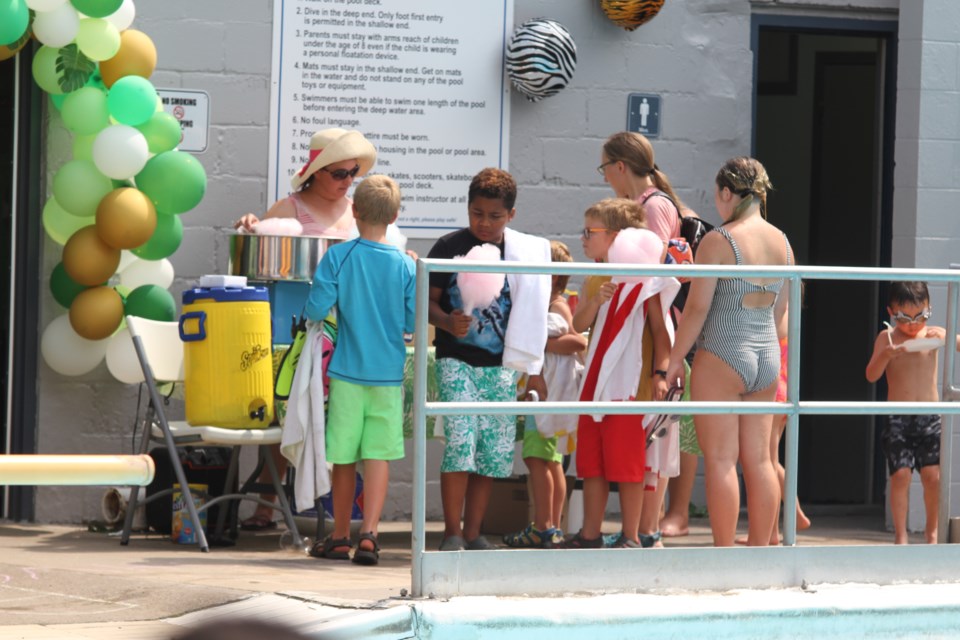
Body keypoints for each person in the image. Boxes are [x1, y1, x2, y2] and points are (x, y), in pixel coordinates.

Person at [233, 128, 377, 531]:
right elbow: (260, 251)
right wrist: (252, 225)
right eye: (339, 173)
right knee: (289, 409)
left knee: (346, 414)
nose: (347, 181)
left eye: (353, 174)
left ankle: (344, 510)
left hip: (348, 325)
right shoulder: (290, 207)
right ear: (316, 172)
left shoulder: (356, 211)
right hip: (297, 324)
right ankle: (268, 504)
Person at [665, 157, 792, 547]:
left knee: (721, 460)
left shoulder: (719, 240)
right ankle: (759, 552)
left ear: (726, 192)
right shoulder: (782, 242)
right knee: (759, 460)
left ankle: (725, 557)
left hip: (723, 353)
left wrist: (672, 362)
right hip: (766, 356)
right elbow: (782, 315)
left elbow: (697, 310)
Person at [428, 167, 550, 551]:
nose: (484, 223)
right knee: (460, 443)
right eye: (477, 213)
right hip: (456, 361)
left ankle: (473, 531)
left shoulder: (518, 254)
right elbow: (426, 303)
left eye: (494, 216)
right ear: (467, 209)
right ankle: (451, 531)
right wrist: (447, 320)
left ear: (511, 216)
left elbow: (531, 312)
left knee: (492, 452)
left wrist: (534, 370)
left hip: (500, 367)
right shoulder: (448, 248)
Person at [302, 174, 415, 564]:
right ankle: (370, 534)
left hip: (347, 373)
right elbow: (413, 322)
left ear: (354, 210)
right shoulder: (405, 264)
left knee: (345, 458)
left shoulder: (339, 256)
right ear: (396, 215)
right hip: (387, 376)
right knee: (379, 456)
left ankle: (338, 537)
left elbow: (315, 309)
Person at [599, 131, 696, 547]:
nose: (605, 179)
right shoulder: (652, 203)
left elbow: (651, 279)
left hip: (653, 333)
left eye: (605, 169)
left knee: (653, 438)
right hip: (645, 330)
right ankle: (648, 529)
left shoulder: (653, 208)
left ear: (621, 167)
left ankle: (649, 529)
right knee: (651, 434)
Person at [565, 199, 678, 549]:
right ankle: (590, 534)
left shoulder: (646, 282)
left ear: (616, 236)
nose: (582, 239)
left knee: (628, 466)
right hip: (595, 384)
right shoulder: (598, 277)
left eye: (590, 232)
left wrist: (660, 373)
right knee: (592, 465)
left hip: (628, 388)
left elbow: (662, 333)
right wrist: (595, 301)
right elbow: (578, 324)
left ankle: (630, 535)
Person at [503, 240, 586, 549]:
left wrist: (535, 344)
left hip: (548, 396)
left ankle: (544, 525)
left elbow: (578, 342)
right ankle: (550, 524)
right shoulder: (545, 304)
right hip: (547, 396)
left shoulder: (556, 305)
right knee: (551, 461)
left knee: (537, 458)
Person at [865, 281, 956, 544]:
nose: (914, 324)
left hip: (930, 417)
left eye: (921, 316)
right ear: (891, 312)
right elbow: (871, 375)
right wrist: (886, 356)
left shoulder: (935, 334)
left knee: (933, 477)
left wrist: (945, 339)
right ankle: (901, 535)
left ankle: (932, 532)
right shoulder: (888, 338)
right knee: (901, 475)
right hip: (899, 418)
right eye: (905, 318)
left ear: (929, 309)